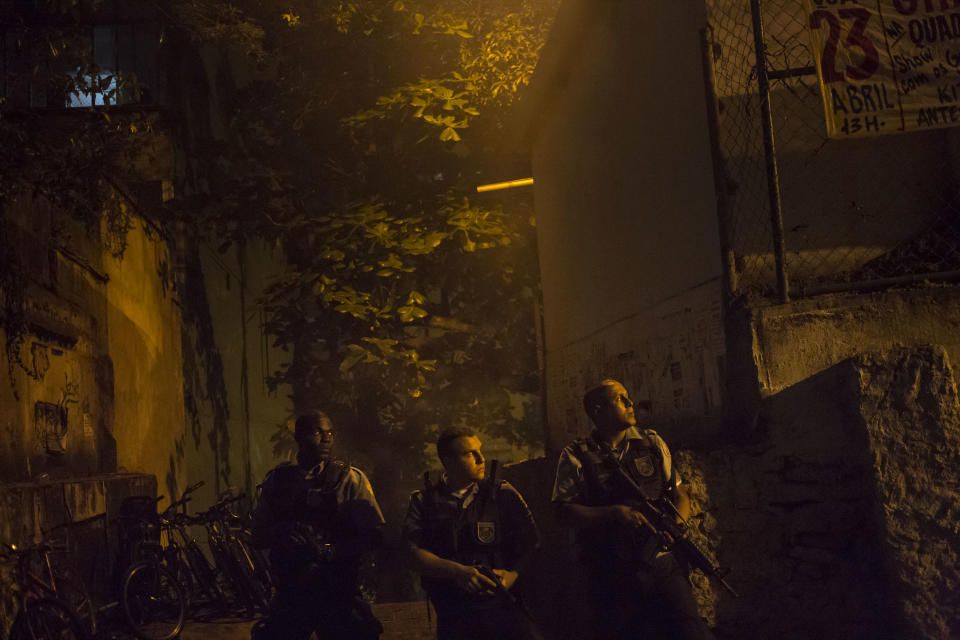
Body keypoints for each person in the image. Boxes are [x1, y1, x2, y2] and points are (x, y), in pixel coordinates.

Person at [552, 379, 714, 640]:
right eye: (620, 399)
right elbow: (563, 512)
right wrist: (614, 513)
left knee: (691, 631)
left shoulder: (651, 442)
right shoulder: (576, 455)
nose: (630, 404)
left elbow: (679, 493)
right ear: (597, 410)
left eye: (628, 397)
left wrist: (677, 527)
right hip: (612, 571)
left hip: (662, 562)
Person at [250, 410, 384, 640]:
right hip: (293, 591)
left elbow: (375, 535)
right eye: (317, 432)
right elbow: (258, 536)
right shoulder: (278, 481)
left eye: (330, 432)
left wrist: (331, 549)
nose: (326, 439)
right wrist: (282, 533)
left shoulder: (350, 479)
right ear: (299, 437)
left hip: (338, 590)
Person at [403, 426, 543, 640]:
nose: (481, 459)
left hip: (504, 613)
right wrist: (457, 572)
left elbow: (532, 544)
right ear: (448, 462)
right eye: (470, 454)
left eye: (480, 450)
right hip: (455, 616)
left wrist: (512, 576)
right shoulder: (425, 502)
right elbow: (411, 553)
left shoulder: (503, 494)